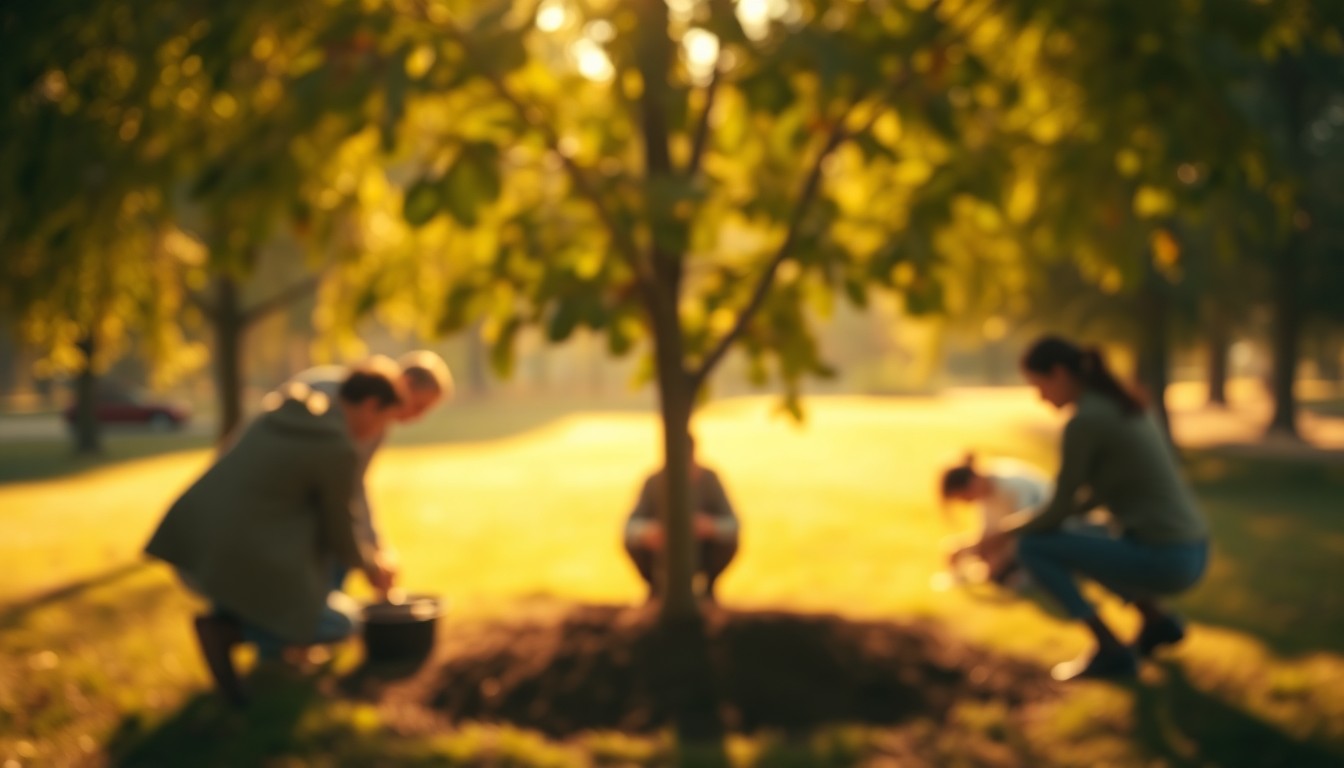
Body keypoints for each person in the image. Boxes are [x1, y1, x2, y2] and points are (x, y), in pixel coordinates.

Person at [144, 363, 402, 704]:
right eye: (385, 421)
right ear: (370, 405)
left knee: (297, 574)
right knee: (344, 623)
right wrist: (372, 566)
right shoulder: (336, 446)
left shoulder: (281, 415)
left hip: (193, 540)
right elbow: (339, 529)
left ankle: (246, 628)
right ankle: (227, 632)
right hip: (238, 552)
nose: (379, 432)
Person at [984, 336, 1210, 681]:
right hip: (1192, 549)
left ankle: (1111, 651)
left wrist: (1002, 534)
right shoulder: (1120, 404)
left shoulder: (1086, 420)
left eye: (1039, 385)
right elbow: (1093, 498)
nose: (1040, 397)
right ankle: (1157, 623)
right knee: (1072, 536)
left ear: (1058, 373)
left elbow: (1060, 507)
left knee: (1033, 547)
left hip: (1167, 559)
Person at [286, 350, 453, 591]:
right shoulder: (339, 399)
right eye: (419, 407)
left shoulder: (377, 421)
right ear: (406, 384)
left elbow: (356, 482)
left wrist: (376, 546)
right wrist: (365, 557)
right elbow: (336, 489)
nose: (417, 418)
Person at [624, 437, 739, 603]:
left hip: (703, 549)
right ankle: (655, 590)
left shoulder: (709, 480)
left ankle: (708, 591)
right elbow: (629, 527)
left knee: (728, 540)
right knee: (634, 542)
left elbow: (733, 525)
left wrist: (710, 527)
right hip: (661, 552)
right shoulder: (654, 482)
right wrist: (648, 533)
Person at [940, 454, 1054, 585]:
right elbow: (990, 535)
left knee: (1004, 575)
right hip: (1027, 537)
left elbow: (1025, 529)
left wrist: (999, 560)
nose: (967, 503)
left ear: (973, 482)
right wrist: (964, 550)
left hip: (1050, 533)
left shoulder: (1012, 484)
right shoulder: (985, 495)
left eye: (965, 497)